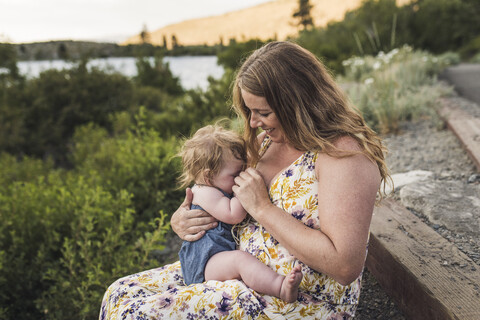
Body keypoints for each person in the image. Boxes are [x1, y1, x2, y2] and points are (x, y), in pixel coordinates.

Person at [100, 41, 389, 319]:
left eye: (263, 112)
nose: (252, 123)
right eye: (249, 111)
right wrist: (185, 218)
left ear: (296, 104)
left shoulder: (344, 155)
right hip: (236, 269)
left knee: (136, 315)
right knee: (119, 294)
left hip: (295, 300)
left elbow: (344, 265)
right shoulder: (265, 143)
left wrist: (263, 208)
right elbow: (218, 189)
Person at [177, 124, 302, 302]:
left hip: (215, 255)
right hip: (205, 264)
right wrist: (246, 187)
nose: (240, 176)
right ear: (208, 176)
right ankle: (280, 287)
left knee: (239, 261)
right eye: (235, 174)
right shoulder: (204, 192)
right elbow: (234, 214)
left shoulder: (214, 185)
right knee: (239, 261)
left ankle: (278, 285)